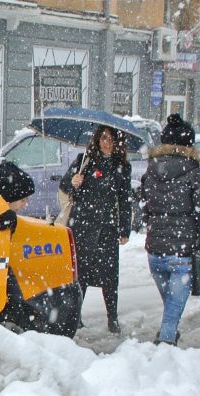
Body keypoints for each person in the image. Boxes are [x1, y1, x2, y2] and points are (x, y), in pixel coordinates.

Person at [138, 113, 200, 346]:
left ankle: (167, 333)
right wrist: (198, 224)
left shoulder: (150, 170)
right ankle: (166, 341)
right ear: (188, 144)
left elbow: (145, 207)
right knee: (173, 306)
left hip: (155, 250)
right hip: (181, 251)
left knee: (171, 304)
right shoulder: (194, 172)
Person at [59, 125, 133, 334]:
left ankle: (113, 317)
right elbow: (65, 185)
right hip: (83, 225)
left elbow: (124, 199)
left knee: (110, 276)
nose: (106, 143)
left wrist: (124, 229)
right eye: (103, 138)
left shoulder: (122, 166)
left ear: (118, 142)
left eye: (110, 139)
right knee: (80, 274)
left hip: (107, 228)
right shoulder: (85, 160)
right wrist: (75, 181)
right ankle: (76, 316)